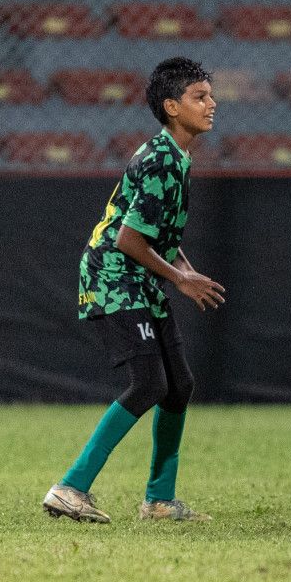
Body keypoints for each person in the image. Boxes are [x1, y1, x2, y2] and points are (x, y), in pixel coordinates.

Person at [42, 57, 224, 524]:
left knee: (178, 386)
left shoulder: (176, 156)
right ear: (171, 106)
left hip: (138, 276)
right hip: (112, 275)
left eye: (210, 94)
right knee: (150, 384)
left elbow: (159, 234)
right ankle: (70, 487)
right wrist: (180, 278)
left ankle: (159, 501)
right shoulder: (163, 158)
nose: (211, 104)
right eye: (199, 97)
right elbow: (127, 239)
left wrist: (183, 269)